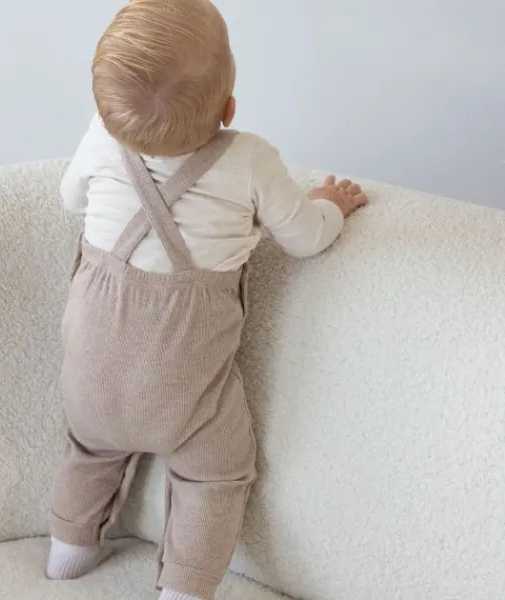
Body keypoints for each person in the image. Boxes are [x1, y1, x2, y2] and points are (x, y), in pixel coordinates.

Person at [47, 1, 368, 599]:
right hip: (186, 392)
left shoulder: (98, 138)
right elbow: (306, 239)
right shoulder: (249, 160)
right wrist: (329, 204)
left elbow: (72, 201)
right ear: (229, 109)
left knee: (89, 451)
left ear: (108, 111)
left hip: (88, 380)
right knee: (215, 474)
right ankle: (185, 588)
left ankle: (68, 551)